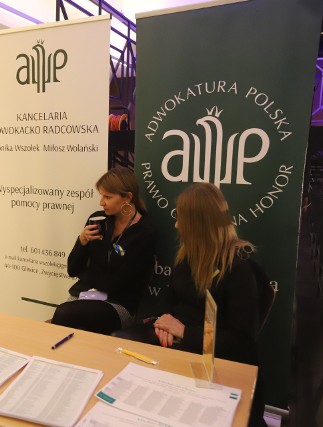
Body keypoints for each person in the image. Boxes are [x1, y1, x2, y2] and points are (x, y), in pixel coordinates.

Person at [114, 182, 266, 426]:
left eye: (181, 218)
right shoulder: (187, 256)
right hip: (179, 342)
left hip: (215, 360)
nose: (176, 224)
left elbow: (242, 343)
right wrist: (165, 325)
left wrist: (183, 332)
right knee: (120, 343)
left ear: (199, 224)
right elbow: (170, 302)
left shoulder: (240, 268)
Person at [50, 167, 157, 335]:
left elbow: (117, 284)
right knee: (65, 315)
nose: (101, 202)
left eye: (108, 197)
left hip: (118, 303)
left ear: (127, 197)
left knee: (65, 313)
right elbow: (72, 269)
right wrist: (82, 242)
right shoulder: (98, 220)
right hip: (85, 295)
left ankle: (52, 359)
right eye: (101, 196)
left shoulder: (144, 232)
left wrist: (88, 276)